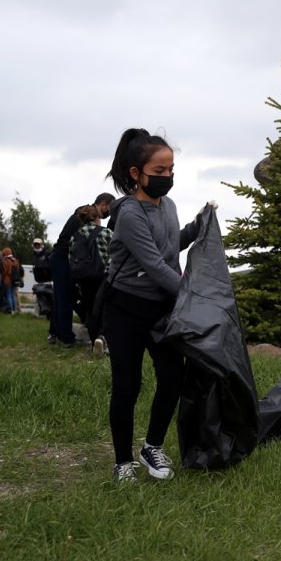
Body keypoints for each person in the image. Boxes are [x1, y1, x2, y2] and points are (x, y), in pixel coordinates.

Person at [102, 128, 207, 482]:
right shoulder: (129, 213)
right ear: (136, 174)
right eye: (159, 172)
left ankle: (152, 447)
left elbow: (167, 246)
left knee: (173, 377)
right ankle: (122, 462)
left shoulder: (169, 206)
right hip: (125, 309)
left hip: (159, 309)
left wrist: (197, 227)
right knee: (127, 385)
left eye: (171, 170)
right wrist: (192, 297)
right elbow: (156, 266)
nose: (167, 178)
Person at [50, 192, 115, 347]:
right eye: (109, 210)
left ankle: (58, 334)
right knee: (65, 298)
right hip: (63, 259)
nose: (108, 215)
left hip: (63, 258)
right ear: (104, 205)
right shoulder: (84, 217)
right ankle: (65, 337)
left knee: (63, 297)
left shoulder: (80, 213)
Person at [68, 204, 112, 352]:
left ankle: (94, 343)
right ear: (97, 218)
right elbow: (115, 254)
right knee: (105, 308)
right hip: (102, 277)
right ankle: (103, 338)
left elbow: (71, 259)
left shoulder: (75, 236)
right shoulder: (106, 232)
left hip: (84, 278)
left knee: (91, 310)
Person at [1, 248, 21, 314]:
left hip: (8, 280)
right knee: (13, 295)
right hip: (15, 280)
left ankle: (10, 310)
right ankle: (15, 310)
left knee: (9, 295)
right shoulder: (15, 260)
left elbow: (4, 271)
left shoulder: (5, 261)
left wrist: (2, 278)